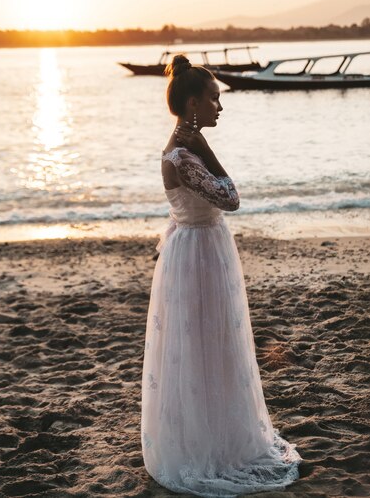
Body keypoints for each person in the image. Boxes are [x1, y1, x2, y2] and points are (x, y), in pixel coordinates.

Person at [140, 54, 302, 497]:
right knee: (201, 344)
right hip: (197, 255)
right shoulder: (183, 153)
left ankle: (217, 430)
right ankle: (202, 445)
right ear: (193, 103)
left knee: (215, 343)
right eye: (214, 99)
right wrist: (208, 151)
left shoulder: (184, 147)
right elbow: (230, 198)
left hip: (202, 247)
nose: (220, 106)